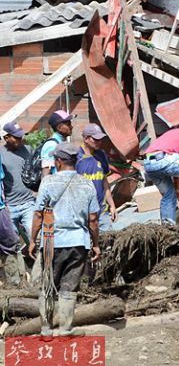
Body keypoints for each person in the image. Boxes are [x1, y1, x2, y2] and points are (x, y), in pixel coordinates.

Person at [28, 143, 100, 337]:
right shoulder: (87, 184)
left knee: (48, 284)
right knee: (69, 285)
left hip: (52, 241)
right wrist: (96, 245)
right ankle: (65, 329)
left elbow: (38, 215)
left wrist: (33, 240)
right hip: (78, 242)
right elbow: (93, 219)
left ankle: (46, 329)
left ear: (58, 162)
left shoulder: (48, 182)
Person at [76, 124, 117, 232]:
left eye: (101, 139)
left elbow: (104, 183)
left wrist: (112, 205)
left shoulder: (101, 155)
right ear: (86, 139)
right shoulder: (76, 158)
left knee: (108, 242)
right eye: (96, 139)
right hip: (82, 213)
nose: (99, 142)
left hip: (102, 211)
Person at [2, 122, 36, 246]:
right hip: (9, 207)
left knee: (35, 237)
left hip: (28, 204)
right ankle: (19, 265)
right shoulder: (1, 155)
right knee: (12, 243)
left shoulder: (28, 150)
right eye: (16, 137)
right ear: (6, 138)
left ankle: (37, 264)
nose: (20, 140)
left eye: (21, 136)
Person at [39, 110, 74, 178]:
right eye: (68, 124)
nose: (72, 127)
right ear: (59, 128)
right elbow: (45, 174)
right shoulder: (52, 145)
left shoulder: (61, 143)